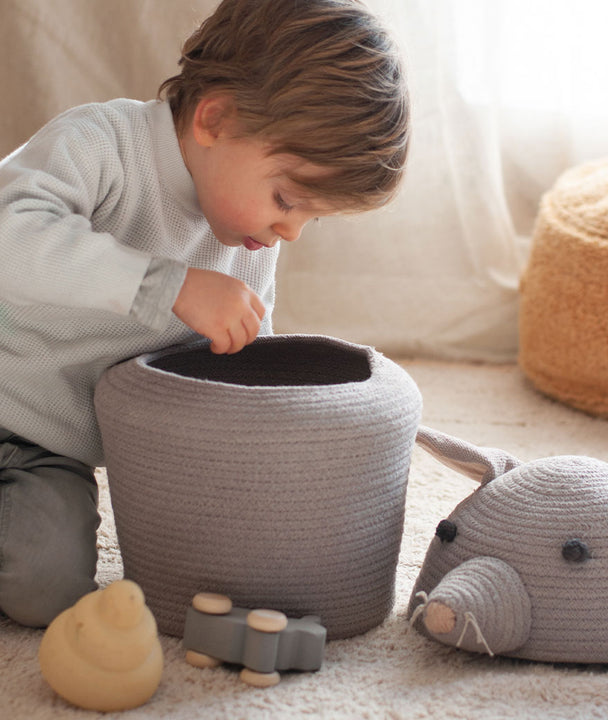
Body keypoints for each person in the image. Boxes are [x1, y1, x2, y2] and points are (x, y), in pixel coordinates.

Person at [0, 0, 409, 627]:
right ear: (216, 117)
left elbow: (242, 383)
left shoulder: (246, 241)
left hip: (44, 451)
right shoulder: (100, 145)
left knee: (45, 590)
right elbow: (12, 241)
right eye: (286, 199)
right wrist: (165, 286)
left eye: (312, 216)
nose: (291, 231)